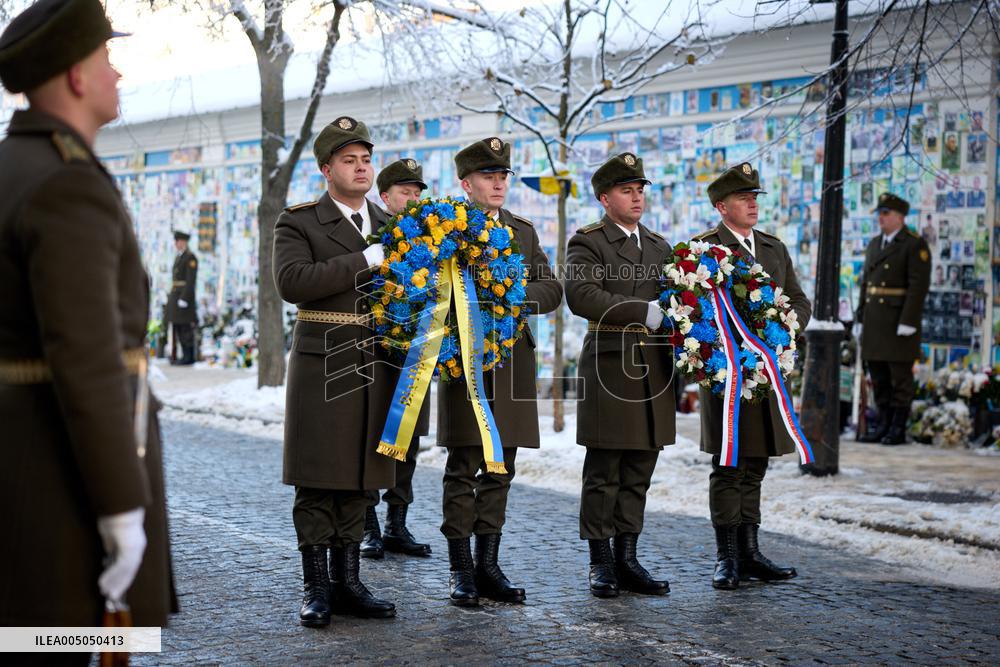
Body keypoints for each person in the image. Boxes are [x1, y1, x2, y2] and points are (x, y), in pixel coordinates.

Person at [0, 0, 176, 659]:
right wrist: (122, 507)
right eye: (107, 57)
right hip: (59, 489)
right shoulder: (64, 183)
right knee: (63, 643)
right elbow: (89, 360)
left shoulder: (18, 168)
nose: (118, 72)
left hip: (24, 472)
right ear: (77, 75)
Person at [273, 115, 396, 627]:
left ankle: (349, 582)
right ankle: (316, 586)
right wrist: (364, 261)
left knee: (361, 478)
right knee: (319, 477)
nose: (362, 168)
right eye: (350, 160)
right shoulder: (299, 221)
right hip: (324, 360)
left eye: (366, 159)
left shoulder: (393, 225)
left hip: (377, 360)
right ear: (327, 169)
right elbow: (293, 282)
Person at [438, 137, 562, 606]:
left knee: (501, 465)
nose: (498, 183)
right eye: (489, 176)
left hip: (512, 358)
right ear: (466, 183)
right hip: (464, 356)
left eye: (503, 176)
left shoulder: (522, 230)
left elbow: (551, 290)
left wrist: (508, 293)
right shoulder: (445, 227)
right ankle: (461, 569)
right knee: (464, 462)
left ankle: (489, 564)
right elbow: (428, 288)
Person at [693, 163, 811, 590]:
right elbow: (692, 310)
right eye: (744, 199)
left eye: (755, 197)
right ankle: (726, 556)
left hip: (768, 372)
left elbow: (798, 298)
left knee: (756, 462)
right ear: (722, 207)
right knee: (729, 463)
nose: (753, 204)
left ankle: (751, 551)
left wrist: (783, 326)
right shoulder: (703, 250)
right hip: (727, 374)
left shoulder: (774, 248)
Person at [565, 152, 675, 599]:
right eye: (627, 191)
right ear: (605, 197)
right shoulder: (587, 242)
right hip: (611, 364)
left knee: (639, 470)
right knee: (604, 470)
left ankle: (628, 557)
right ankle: (601, 562)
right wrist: (642, 312)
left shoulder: (659, 246)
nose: (637, 198)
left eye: (640, 190)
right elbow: (582, 295)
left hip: (654, 369)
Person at [358, 158, 433, 559]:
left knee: (410, 436)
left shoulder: (431, 235)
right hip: (374, 350)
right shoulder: (371, 235)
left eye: (418, 192)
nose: (414, 198)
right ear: (385, 197)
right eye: (406, 192)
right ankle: (368, 525)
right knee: (375, 437)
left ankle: (396, 524)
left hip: (415, 351)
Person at [855, 193, 931, 445]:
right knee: (879, 377)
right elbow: (866, 283)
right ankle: (883, 424)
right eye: (880, 213)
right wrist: (859, 316)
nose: (881, 217)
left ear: (899, 217)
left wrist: (908, 321)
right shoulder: (876, 243)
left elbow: (918, 286)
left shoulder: (913, 244)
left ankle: (897, 428)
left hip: (899, 320)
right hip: (875, 320)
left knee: (900, 378)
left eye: (886, 213)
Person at [166, 229, 198, 365]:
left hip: (184, 298)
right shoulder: (179, 256)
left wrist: (184, 298)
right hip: (176, 296)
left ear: (184, 242)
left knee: (185, 329)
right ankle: (183, 355)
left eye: (178, 241)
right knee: (178, 328)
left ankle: (188, 357)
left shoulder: (190, 258)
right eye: (176, 241)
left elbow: (190, 280)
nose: (176, 244)